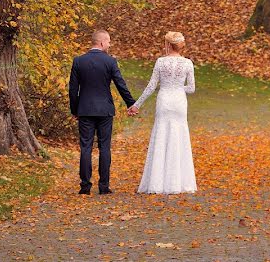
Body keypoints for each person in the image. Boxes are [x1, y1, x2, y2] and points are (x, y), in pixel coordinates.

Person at [128, 31, 197, 194]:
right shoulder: (188, 63)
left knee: (161, 135)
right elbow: (192, 88)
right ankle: (178, 182)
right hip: (179, 102)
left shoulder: (160, 62)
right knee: (179, 135)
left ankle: (157, 183)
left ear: (167, 45)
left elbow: (151, 86)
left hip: (164, 100)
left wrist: (136, 105)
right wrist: (179, 88)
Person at [68, 29, 135, 195]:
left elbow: (72, 89)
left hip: (85, 110)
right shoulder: (110, 61)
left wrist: (75, 109)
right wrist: (131, 103)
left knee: (86, 147)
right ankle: (104, 186)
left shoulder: (78, 61)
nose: (110, 45)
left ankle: (85, 186)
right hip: (105, 110)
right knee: (105, 147)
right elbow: (121, 84)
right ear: (102, 42)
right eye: (109, 42)